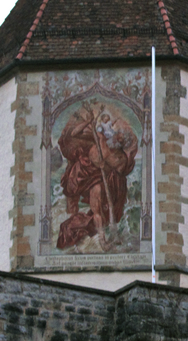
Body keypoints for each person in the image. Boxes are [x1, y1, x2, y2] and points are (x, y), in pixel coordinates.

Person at [56, 103, 138, 250]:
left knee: (101, 209)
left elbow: (118, 167)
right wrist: (89, 123)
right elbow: (74, 134)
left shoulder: (113, 149)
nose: (118, 139)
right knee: (89, 205)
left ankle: (106, 238)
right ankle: (100, 239)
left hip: (100, 177)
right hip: (87, 174)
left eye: (120, 140)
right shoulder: (94, 135)